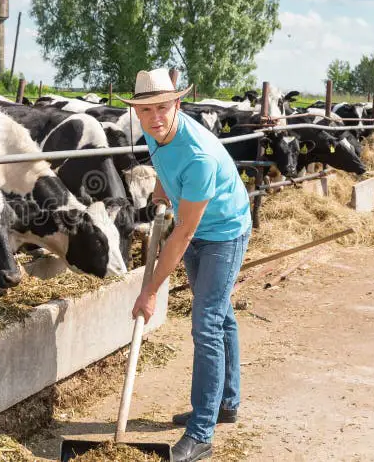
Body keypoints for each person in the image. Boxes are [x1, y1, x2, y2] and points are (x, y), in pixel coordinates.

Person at [120, 68, 252, 462]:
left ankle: (201, 433)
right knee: (220, 313)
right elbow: (163, 166)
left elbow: (183, 236)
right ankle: (226, 402)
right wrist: (161, 195)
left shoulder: (199, 156)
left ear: (177, 104)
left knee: (206, 321)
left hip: (223, 233)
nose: (155, 117)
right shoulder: (152, 130)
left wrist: (149, 291)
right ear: (138, 112)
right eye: (146, 110)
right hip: (193, 226)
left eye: (163, 107)